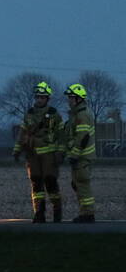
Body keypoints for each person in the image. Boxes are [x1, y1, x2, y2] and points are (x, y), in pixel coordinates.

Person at [12, 81, 64, 223]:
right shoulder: (29, 114)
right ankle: (39, 213)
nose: (39, 99)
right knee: (36, 183)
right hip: (32, 155)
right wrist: (17, 150)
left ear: (47, 98)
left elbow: (61, 134)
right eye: (37, 97)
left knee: (50, 181)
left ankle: (57, 211)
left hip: (49, 155)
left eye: (42, 97)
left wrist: (60, 152)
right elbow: (22, 133)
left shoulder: (54, 114)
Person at [63, 83, 96, 223]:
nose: (69, 100)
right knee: (78, 184)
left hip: (81, 158)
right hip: (81, 157)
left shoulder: (82, 115)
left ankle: (87, 214)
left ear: (78, 99)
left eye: (71, 98)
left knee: (82, 184)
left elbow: (82, 137)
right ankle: (86, 212)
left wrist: (74, 155)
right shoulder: (78, 114)